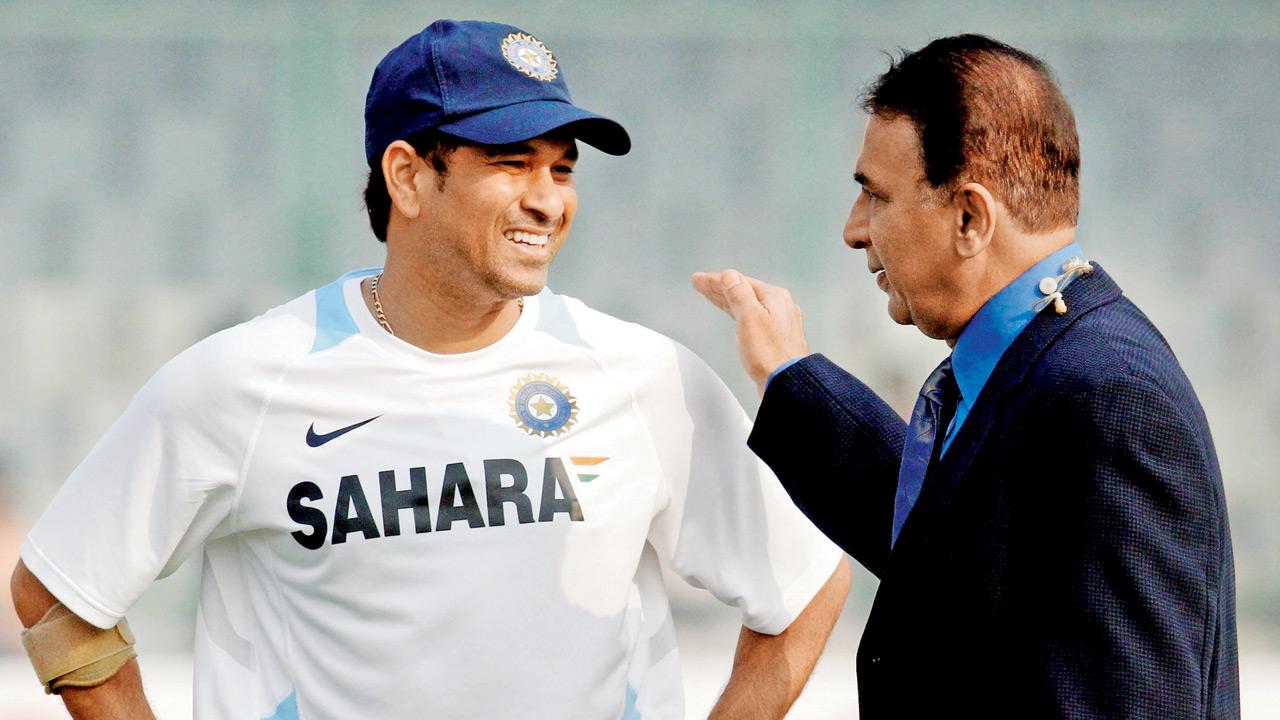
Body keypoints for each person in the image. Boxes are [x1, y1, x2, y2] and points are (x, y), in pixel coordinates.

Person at [11, 19, 849, 720]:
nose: (549, 199)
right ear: (407, 177)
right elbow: (56, 595)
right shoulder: (243, 379)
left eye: (562, 168)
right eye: (511, 163)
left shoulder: (643, 374)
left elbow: (806, 584)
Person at [693, 34, 1238, 718]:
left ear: (971, 217)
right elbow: (950, 553)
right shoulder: (1049, 364)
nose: (854, 230)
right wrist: (789, 377)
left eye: (875, 196)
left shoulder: (1106, 396)